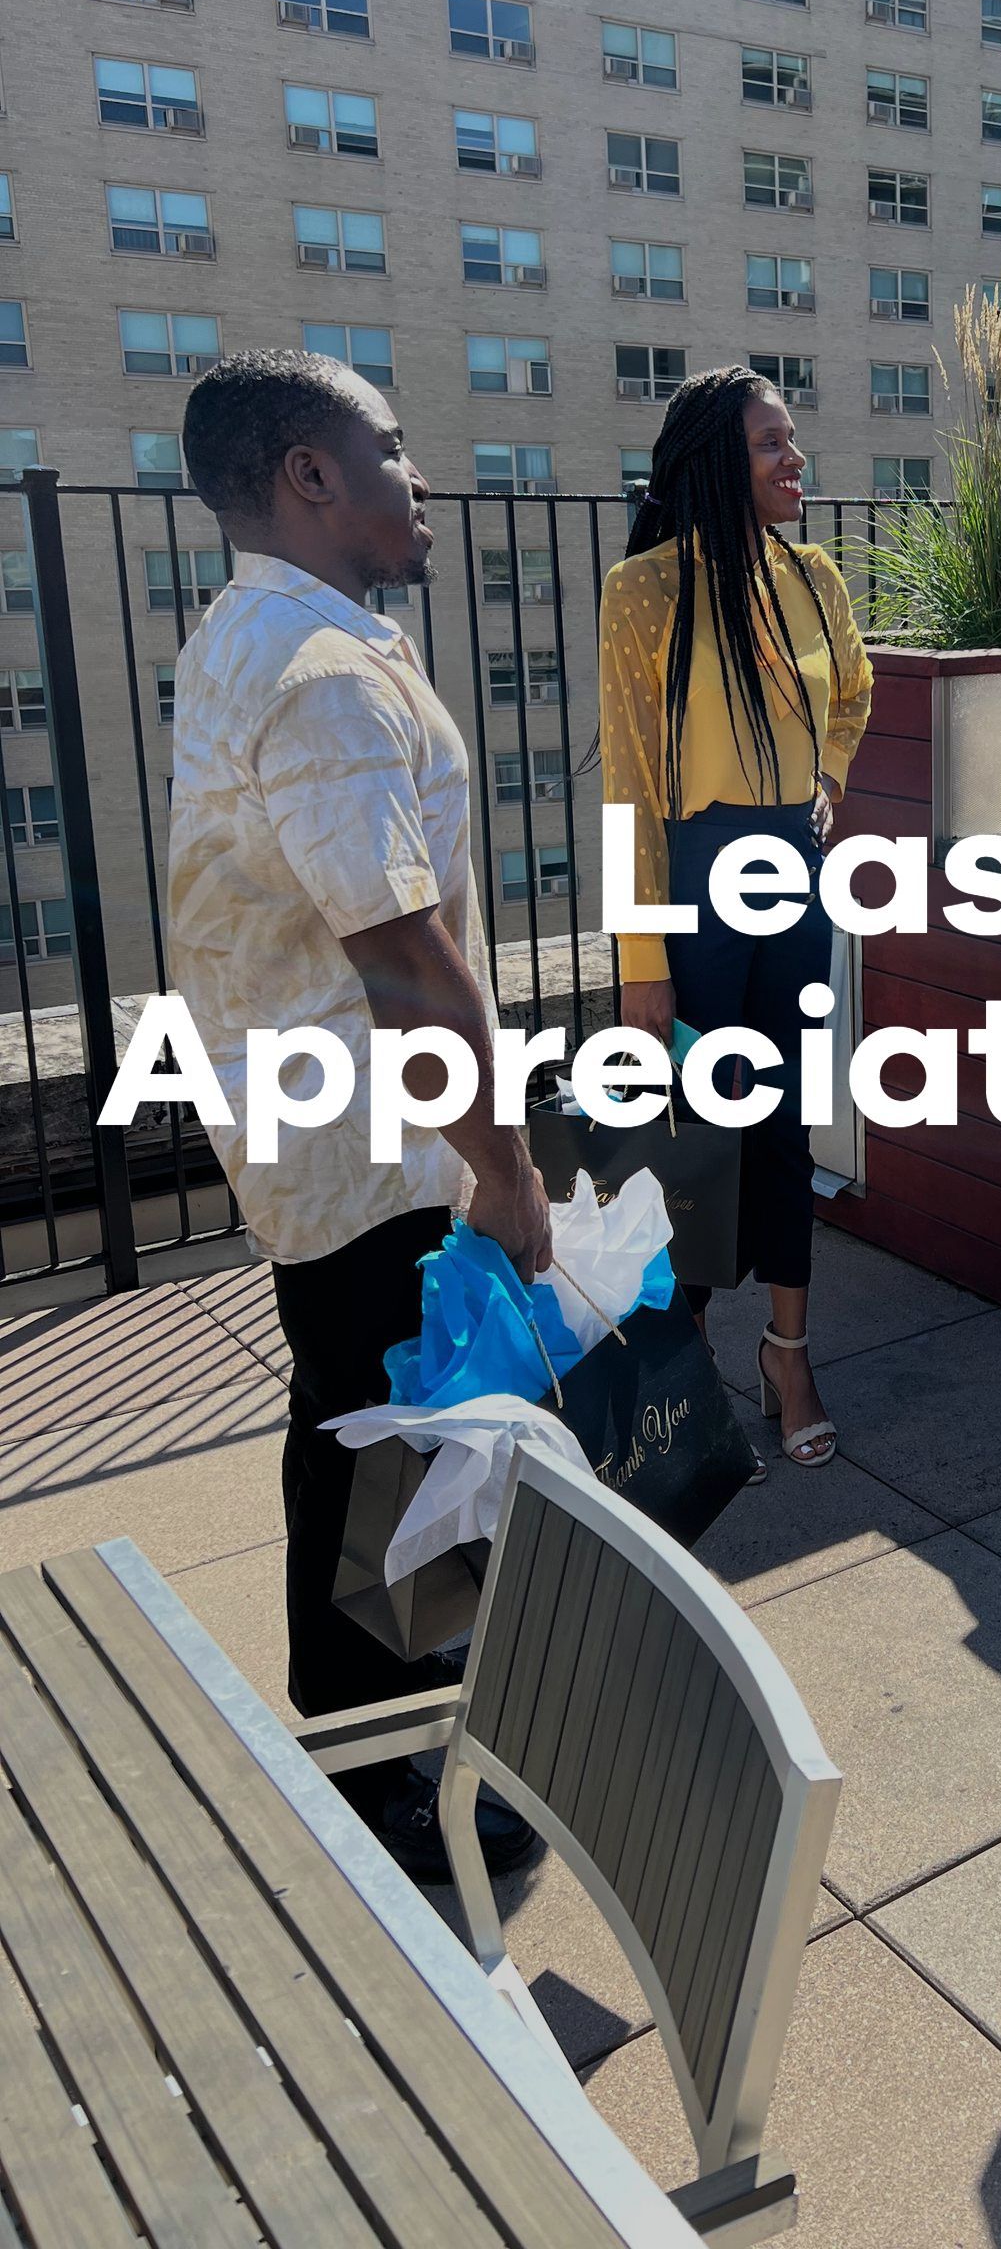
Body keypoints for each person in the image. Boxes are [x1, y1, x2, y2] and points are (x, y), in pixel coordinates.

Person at [171, 349, 549, 1878]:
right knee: (389, 1448)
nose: (420, 479)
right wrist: (509, 1171)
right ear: (307, 477)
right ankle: (387, 1788)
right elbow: (402, 956)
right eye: (389, 450)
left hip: (310, 1124)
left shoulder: (258, 633)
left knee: (358, 1440)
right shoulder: (322, 672)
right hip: (362, 1140)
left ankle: (384, 1747)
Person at [599, 366, 872, 1467]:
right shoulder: (645, 591)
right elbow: (626, 787)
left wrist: (830, 784)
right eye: (772, 445)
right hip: (695, 883)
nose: (794, 461)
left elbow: (850, 691)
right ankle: (678, 1370)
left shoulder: (813, 578)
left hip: (793, 877)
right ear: (717, 459)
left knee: (789, 1126)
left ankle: (788, 1352)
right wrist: (642, 963)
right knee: (690, 1144)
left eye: (793, 442)